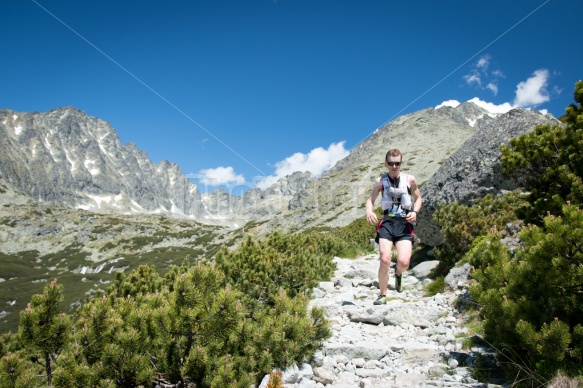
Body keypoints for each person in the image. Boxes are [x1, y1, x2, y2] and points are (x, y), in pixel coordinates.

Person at [365, 149, 422, 302]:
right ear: (386, 163)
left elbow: (418, 198)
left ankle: (398, 273)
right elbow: (370, 199)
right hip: (387, 222)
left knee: (403, 263)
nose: (394, 166)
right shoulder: (380, 181)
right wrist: (369, 211)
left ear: (401, 163)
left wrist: (415, 212)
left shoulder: (410, 180)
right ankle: (383, 295)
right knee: (384, 258)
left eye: (397, 163)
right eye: (391, 163)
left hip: (404, 223)